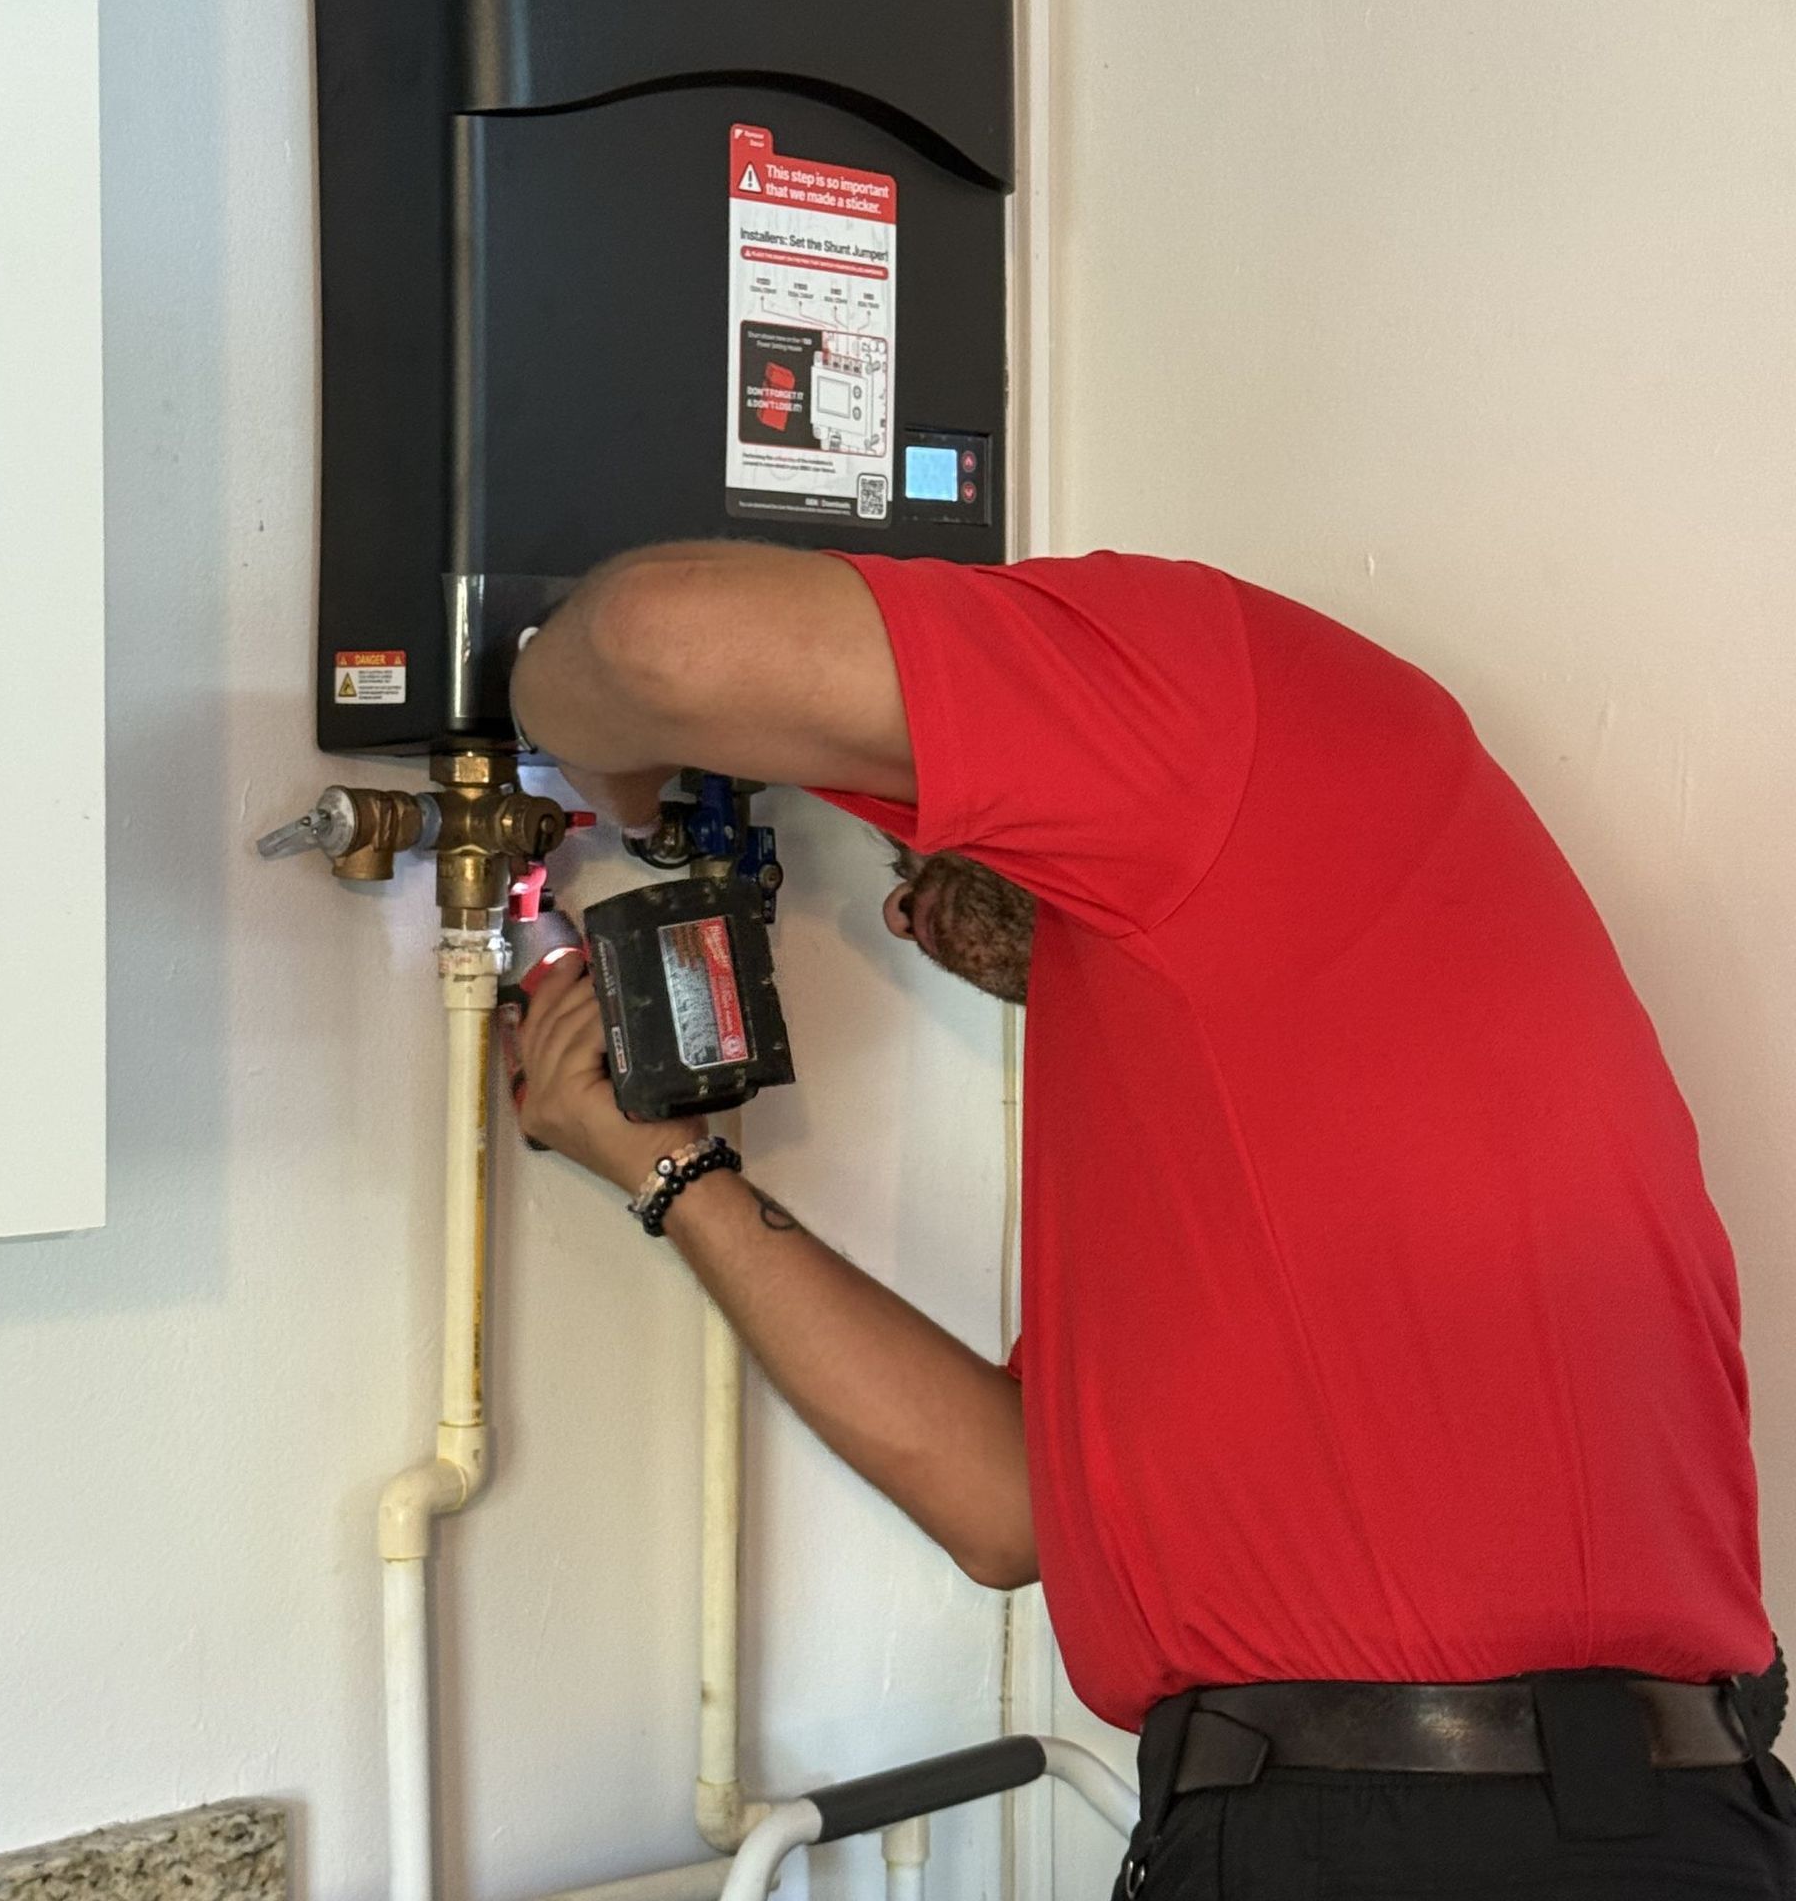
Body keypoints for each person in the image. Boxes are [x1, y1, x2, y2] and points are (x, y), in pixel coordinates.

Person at [508, 542, 1792, 1899]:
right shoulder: (1233, 1073)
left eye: (906, 831)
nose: (896, 909)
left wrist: (586, 753)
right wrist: (669, 1169)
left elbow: (658, 638)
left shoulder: (1238, 719)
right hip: (1418, 1823)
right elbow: (1011, 1512)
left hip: (1453, 1836)